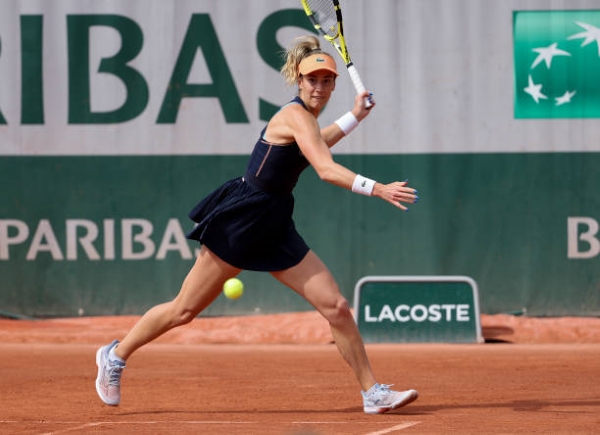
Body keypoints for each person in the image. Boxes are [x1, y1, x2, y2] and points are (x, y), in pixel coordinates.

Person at [95, 35, 419, 415]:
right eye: (312, 80)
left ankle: (371, 392)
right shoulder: (294, 116)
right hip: (242, 219)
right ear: (299, 81)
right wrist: (376, 188)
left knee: (337, 308)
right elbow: (324, 167)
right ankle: (115, 356)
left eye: (326, 80)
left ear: (333, 84)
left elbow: (315, 144)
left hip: (275, 222)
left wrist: (355, 117)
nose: (319, 86)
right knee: (183, 310)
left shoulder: (307, 123)